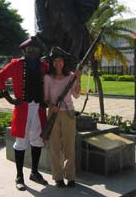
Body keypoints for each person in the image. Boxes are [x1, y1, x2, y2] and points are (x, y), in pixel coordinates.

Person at [0, 36, 49, 191]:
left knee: (37, 140)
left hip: (38, 108)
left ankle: (35, 172)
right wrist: (9, 98)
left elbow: (50, 82)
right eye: (29, 49)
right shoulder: (16, 64)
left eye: (35, 49)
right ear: (24, 50)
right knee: (21, 142)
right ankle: (19, 176)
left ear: (39, 51)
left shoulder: (44, 66)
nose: (32, 52)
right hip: (22, 108)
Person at [43, 47, 81, 188]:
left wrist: (79, 78)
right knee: (55, 146)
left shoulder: (71, 76)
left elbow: (76, 95)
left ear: (64, 62)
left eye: (61, 60)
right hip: (53, 113)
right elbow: (46, 98)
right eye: (56, 60)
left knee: (69, 146)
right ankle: (58, 177)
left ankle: (70, 176)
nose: (58, 63)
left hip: (68, 113)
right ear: (52, 62)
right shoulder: (47, 77)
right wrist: (51, 106)